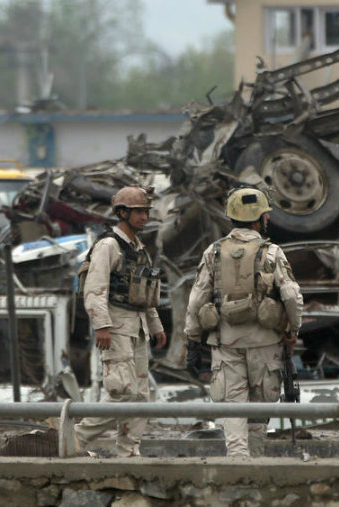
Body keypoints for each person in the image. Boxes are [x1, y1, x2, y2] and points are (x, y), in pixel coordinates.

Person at [184, 187, 303, 458]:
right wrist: (293, 330)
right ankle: (255, 463)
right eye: (265, 215)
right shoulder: (272, 252)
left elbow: (195, 300)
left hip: (225, 343)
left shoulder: (213, 252)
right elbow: (292, 296)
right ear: (258, 218)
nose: (268, 220)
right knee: (259, 410)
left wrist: (192, 339)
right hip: (266, 343)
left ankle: (237, 462)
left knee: (233, 408)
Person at [74, 186, 167, 457]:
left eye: (146, 211)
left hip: (136, 329)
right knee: (120, 392)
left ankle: (128, 450)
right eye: (138, 211)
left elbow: (145, 293)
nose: (144, 217)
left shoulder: (138, 249)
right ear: (123, 212)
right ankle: (76, 439)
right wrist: (101, 326)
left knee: (140, 396)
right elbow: (95, 289)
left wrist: (156, 325)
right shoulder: (108, 246)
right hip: (115, 328)